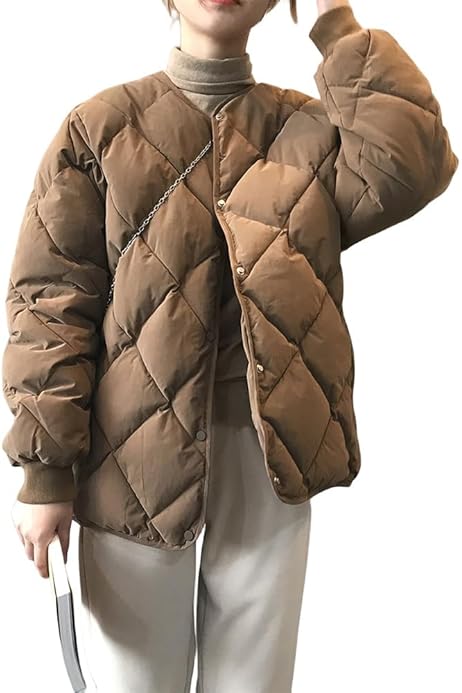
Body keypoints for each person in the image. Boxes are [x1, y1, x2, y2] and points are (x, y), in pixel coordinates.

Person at [3, 1, 457, 691]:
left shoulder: (312, 132)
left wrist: (334, 21)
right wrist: (45, 471)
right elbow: (51, 303)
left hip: (270, 454)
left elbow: (412, 162)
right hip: (128, 457)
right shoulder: (99, 129)